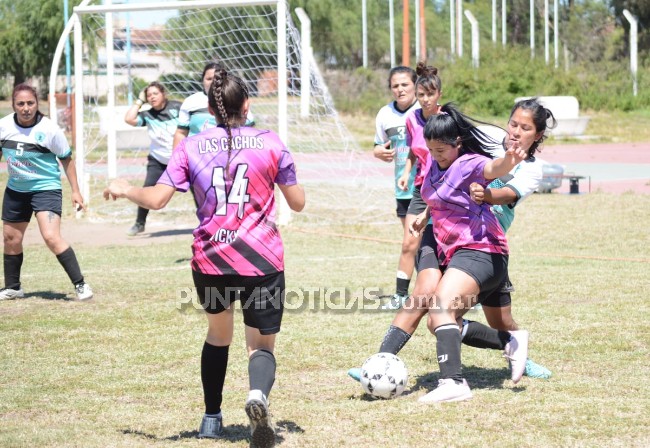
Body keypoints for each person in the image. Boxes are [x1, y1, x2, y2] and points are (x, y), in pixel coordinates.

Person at [104, 68, 305, 446]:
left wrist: (126, 188)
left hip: (212, 260)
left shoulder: (190, 147)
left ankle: (211, 418)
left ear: (210, 110)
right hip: (261, 260)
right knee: (260, 344)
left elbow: (158, 200)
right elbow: (298, 202)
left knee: (218, 335)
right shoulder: (271, 142)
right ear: (247, 104)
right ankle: (257, 395)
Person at [0, 84, 93, 301]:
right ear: (13, 105)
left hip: (46, 189)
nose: (26, 108)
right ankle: (13, 287)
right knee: (10, 238)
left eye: (30, 103)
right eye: (20, 104)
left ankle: (80, 284)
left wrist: (76, 191)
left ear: (37, 104)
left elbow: (67, 160)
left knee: (51, 236)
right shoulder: (3, 126)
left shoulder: (50, 129)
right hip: (16, 190)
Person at [372, 66, 420, 309]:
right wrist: (379, 152)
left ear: (415, 86)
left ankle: (403, 296)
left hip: (427, 187)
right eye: (395, 85)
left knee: (413, 242)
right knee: (416, 242)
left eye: (405, 84)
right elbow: (378, 146)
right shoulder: (385, 114)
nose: (400, 89)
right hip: (403, 189)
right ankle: (432, 291)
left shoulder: (424, 111)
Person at [123, 81, 181, 236]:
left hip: (181, 160)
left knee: (199, 189)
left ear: (163, 94)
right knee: (147, 190)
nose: (152, 97)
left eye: (155, 93)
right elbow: (129, 119)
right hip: (158, 161)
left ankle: (207, 221)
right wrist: (139, 101)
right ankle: (139, 223)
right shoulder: (147, 115)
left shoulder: (178, 108)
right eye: (149, 95)